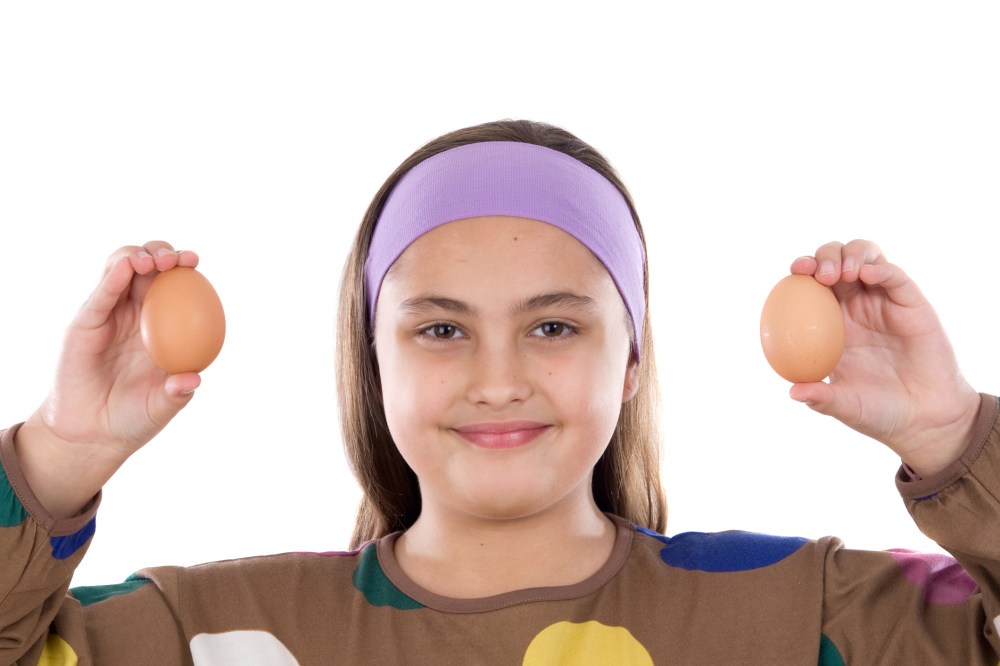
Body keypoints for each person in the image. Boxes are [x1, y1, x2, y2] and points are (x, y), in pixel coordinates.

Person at [0, 120, 997, 665]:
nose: (498, 378)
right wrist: (59, 454)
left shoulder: (811, 616)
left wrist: (955, 440)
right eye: (440, 328)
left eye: (553, 325)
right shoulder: (197, 634)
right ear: (373, 358)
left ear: (634, 356)